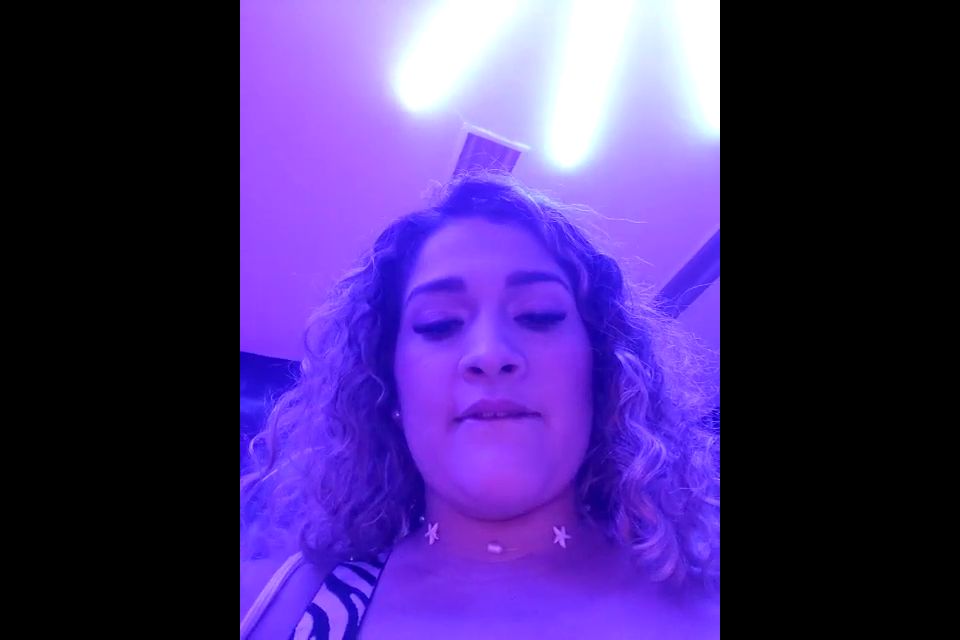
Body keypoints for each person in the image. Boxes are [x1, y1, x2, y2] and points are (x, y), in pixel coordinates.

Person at [240, 172, 719, 639]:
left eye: (539, 315)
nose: (490, 353)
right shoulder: (263, 608)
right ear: (390, 389)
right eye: (439, 324)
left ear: (600, 374)